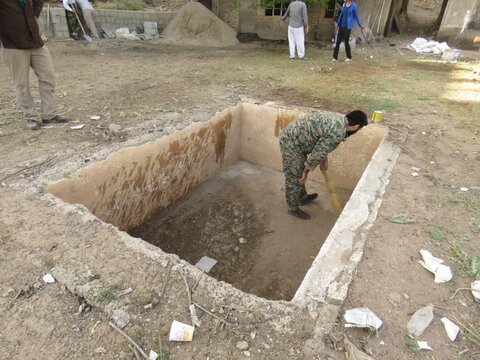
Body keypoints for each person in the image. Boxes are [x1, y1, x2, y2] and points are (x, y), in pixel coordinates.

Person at [279, 110, 368, 219]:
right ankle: (292, 208)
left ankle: (302, 197)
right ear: (356, 127)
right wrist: (306, 171)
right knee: (295, 177)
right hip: (291, 143)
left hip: (297, 138)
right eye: (358, 130)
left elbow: (322, 144)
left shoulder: (338, 119)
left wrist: (324, 159)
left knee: (299, 172)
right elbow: (318, 153)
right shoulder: (338, 132)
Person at [0, 0, 69, 130]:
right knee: (21, 84)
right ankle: (30, 117)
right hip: (14, 45)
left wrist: (35, 15)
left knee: (48, 77)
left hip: (35, 40)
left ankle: (49, 115)